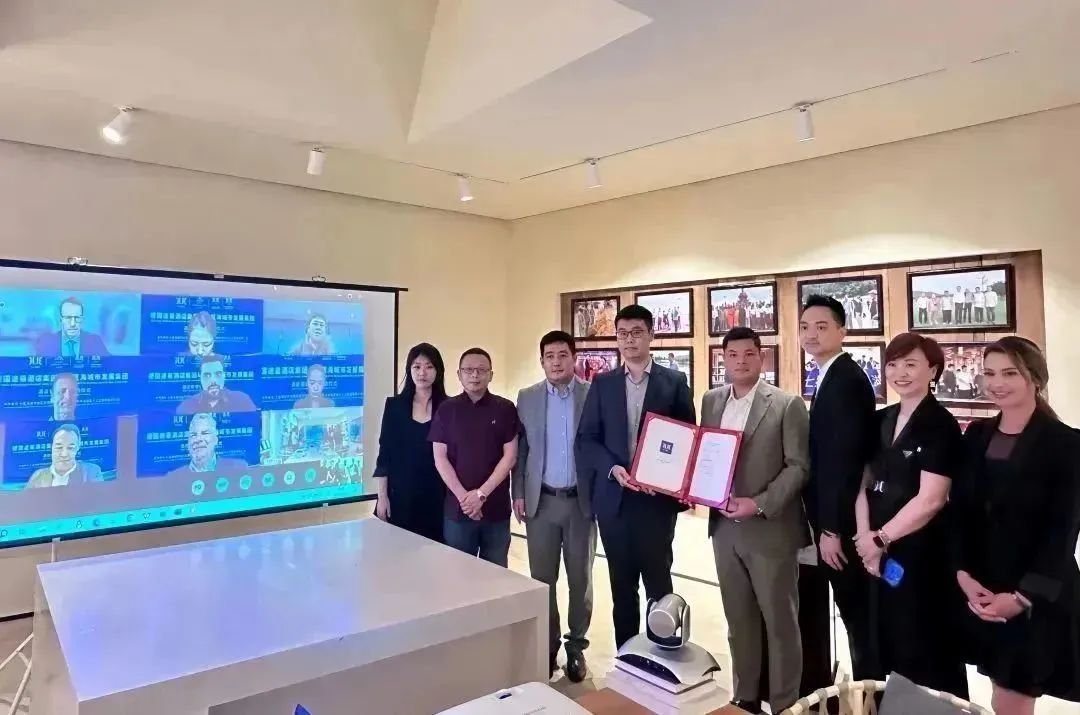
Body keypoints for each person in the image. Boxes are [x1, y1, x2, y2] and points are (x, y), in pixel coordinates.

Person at [951, 337, 1080, 714]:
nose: (997, 383)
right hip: (984, 588)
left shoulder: (1066, 444)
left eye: (1010, 373)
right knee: (999, 694)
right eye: (989, 373)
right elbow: (960, 512)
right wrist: (962, 573)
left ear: (1035, 379)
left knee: (1012, 701)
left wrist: (1022, 598)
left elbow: (1063, 531)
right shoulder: (977, 435)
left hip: (1034, 595)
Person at [853, 333, 968, 697]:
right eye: (893, 364)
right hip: (872, 549)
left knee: (920, 645)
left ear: (932, 370)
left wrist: (880, 539)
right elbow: (861, 484)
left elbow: (931, 499)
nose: (900, 373)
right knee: (878, 641)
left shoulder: (940, 424)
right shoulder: (879, 419)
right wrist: (864, 538)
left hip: (919, 552)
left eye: (911, 364)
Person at [576, 304, 696, 649]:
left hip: (655, 503)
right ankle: (627, 661)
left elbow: (688, 438)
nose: (629, 340)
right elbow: (587, 439)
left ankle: (662, 658)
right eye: (623, 334)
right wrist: (613, 469)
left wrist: (672, 481)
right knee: (622, 588)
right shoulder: (603, 383)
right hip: (614, 502)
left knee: (659, 587)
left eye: (637, 332)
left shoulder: (673, 382)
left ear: (651, 335)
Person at [702, 327, 809, 714]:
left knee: (780, 624)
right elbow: (705, 456)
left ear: (761, 358)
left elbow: (798, 467)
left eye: (749, 354)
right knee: (738, 620)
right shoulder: (711, 401)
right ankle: (744, 696)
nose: (741, 361)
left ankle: (785, 705)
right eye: (732, 355)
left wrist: (759, 504)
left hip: (769, 531)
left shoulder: (786, 404)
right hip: (724, 531)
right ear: (723, 359)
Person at [798, 295, 877, 693]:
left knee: (857, 616)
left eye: (821, 326)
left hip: (841, 526)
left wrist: (830, 529)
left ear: (842, 331)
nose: (811, 334)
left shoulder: (845, 380)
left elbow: (844, 461)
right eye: (805, 327)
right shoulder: (830, 375)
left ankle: (869, 693)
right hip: (834, 519)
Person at [513, 331, 595, 681]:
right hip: (541, 501)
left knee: (580, 579)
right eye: (550, 356)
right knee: (542, 579)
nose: (556, 362)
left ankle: (576, 646)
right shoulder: (527, 397)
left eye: (563, 355)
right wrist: (518, 492)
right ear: (542, 361)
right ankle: (547, 647)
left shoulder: (591, 394)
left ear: (574, 358)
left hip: (580, 502)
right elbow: (521, 450)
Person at [430, 348, 519, 566]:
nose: (475, 375)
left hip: (496, 509)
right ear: (459, 374)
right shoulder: (446, 409)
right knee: (458, 575)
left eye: (481, 370)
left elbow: (510, 456)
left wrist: (480, 495)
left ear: (491, 375)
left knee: (495, 575)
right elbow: (440, 459)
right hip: (458, 510)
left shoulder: (505, 408)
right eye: (468, 370)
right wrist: (466, 499)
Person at [373, 343, 448, 543]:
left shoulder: (448, 407)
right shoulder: (394, 406)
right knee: (398, 552)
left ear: (438, 371)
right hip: (400, 494)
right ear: (409, 370)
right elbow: (385, 454)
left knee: (435, 554)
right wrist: (382, 496)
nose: (422, 372)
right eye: (417, 366)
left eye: (429, 366)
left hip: (437, 495)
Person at [165, 413, 248, 478]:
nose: (198, 439)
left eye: (205, 433)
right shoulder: (174, 477)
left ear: (216, 439)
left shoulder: (238, 468)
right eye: (193, 435)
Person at [25, 424, 105, 488]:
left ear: (77, 448)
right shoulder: (38, 476)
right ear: (51, 447)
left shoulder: (91, 472)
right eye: (59, 447)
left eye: (70, 448)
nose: (64, 454)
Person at [176, 355, 256, 414]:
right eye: (207, 375)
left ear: (224, 376)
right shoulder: (186, 407)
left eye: (218, 374)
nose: (213, 381)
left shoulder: (242, 401)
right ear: (200, 377)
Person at [34, 297, 110, 357]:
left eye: (77, 318)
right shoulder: (47, 342)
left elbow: (111, 365)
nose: (73, 323)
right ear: (61, 319)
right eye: (68, 318)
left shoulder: (94, 341)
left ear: (82, 319)